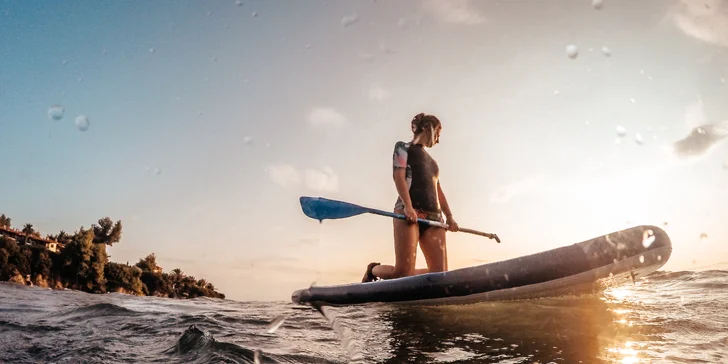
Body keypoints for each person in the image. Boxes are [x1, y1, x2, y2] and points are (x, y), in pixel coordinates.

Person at [362, 112, 459, 282]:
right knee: (403, 274)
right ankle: (373, 270)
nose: (438, 140)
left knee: (440, 274)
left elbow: (439, 191)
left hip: (435, 218)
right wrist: (408, 206)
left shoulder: (433, 163)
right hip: (407, 212)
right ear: (428, 128)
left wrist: (449, 217)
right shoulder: (403, 147)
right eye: (438, 134)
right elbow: (398, 176)